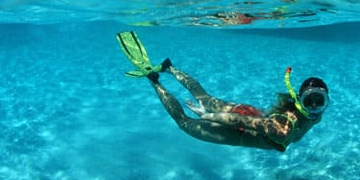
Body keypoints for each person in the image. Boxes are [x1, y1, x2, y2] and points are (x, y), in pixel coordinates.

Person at [116, 31, 330, 152]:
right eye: (309, 101)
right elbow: (239, 122)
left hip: (252, 116)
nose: (313, 107)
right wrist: (208, 116)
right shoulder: (281, 130)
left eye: (319, 101)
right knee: (184, 122)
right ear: (299, 100)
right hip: (239, 128)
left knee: (205, 97)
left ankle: (170, 67)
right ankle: (154, 81)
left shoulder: (315, 116)